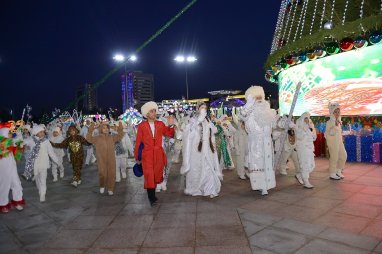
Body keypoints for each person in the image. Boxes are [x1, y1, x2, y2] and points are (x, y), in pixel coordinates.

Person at [135, 102, 175, 206]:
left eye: (154, 111)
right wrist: (137, 157)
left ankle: (153, 194)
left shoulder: (160, 124)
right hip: (147, 154)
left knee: (157, 174)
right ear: (146, 114)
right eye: (151, 111)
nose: (154, 113)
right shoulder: (141, 126)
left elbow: (169, 134)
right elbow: (138, 142)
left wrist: (170, 125)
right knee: (149, 175)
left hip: (158, 153)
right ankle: (151, 198)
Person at [239, 86, 276, 195]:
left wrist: (283, 122)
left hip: (267, 143)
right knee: (258, 164)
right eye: (257, 97)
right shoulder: (249, 112)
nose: (260, 99)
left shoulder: (269, 111)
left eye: (261, 97)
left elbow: (275, 124)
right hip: (256, 144)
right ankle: (261, 186)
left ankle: (267, 185)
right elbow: (241, 115)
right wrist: (249, 103)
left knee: (266, 164)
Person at [181, 102, 222, 198]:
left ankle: (210, 189)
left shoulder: (208, 120)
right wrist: (198, 121)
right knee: (197, 169)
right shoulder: (193, 120)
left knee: (209, 168)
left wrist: (213, 128)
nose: (203, 109)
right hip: (197, 150)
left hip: (208, 148)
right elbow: (189, 133)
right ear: (198, 109)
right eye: (202, 108)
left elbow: (212, 132)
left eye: (205, 108)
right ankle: (196, 188)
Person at [87, 121, 124, 195]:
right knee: (102, 173)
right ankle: (102, 185)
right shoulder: (97, 138)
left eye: (107, 128)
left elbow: (120, 135)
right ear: (101, 129)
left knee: (112, 173)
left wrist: (120, 127)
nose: (106, 129)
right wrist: (91, 128)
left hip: (111, 158)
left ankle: (110, 188)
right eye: (103, 128)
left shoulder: (112, 137)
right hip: (101, 159)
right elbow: (89, 139)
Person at [26, 124, 59, 202]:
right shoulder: (32, 140)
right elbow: (23, 143)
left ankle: (42, 194)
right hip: (35, 165)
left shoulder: (46, 141)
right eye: (40, 132)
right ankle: (40, 191)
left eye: (42, 132)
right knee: (37, 180)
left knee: (43, 180)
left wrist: (56, 160)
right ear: (36, 133)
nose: (42, 133)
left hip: (44, 164)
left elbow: (51, 152)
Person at [0, 123, 25, 213]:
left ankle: (17, 201)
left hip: (12, 168)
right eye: (9, 132)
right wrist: (16, 139)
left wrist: (20, 141)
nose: (11, 133)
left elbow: (18, 149)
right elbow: (9, 143)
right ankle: (3, 204)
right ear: (4, 134)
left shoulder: (10, 142)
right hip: (4, 170)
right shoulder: (2, 143)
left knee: (17, 183)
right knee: (4, 186)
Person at [325, 102, 347, 180]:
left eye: (338, 112)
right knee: (334, 157)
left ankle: (338, 170)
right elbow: (328, 133)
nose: (337, 113)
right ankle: (332, 173)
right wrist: (334, 126)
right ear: (332, 112)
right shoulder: (329, 122)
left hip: (339, 142)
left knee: (343, 155)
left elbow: (339, 132)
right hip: (332, 142)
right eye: (335, 112)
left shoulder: (338, 121)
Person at [296, 112, 317, 188]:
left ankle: (300, 175)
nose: (307, 120)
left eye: (308, 118)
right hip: (302, 148)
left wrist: (310, 128)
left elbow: (314, 137)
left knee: (312, 165)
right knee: (305, 164)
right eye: (305, 118)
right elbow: (299, 136)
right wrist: (305, 129)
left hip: (310, 148)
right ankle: (306, 181)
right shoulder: (299, 125)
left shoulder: (310, 126)